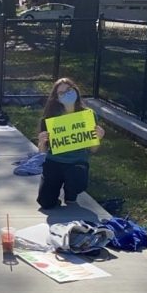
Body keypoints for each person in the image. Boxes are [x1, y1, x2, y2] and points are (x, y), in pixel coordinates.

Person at [36, 78, 105, 209]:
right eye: (61, 93)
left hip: (76, 163)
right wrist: (41, 141)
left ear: (76, 91)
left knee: (75, 179)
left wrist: (98, 138)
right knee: (45, 203)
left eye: (69, 90)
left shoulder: (88, 115)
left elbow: (93, 150)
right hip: (54, 162)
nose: (66, 94)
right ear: (56, 98)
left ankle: (71, 192)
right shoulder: (50, 117)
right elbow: (42, 152)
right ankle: (53, 189)